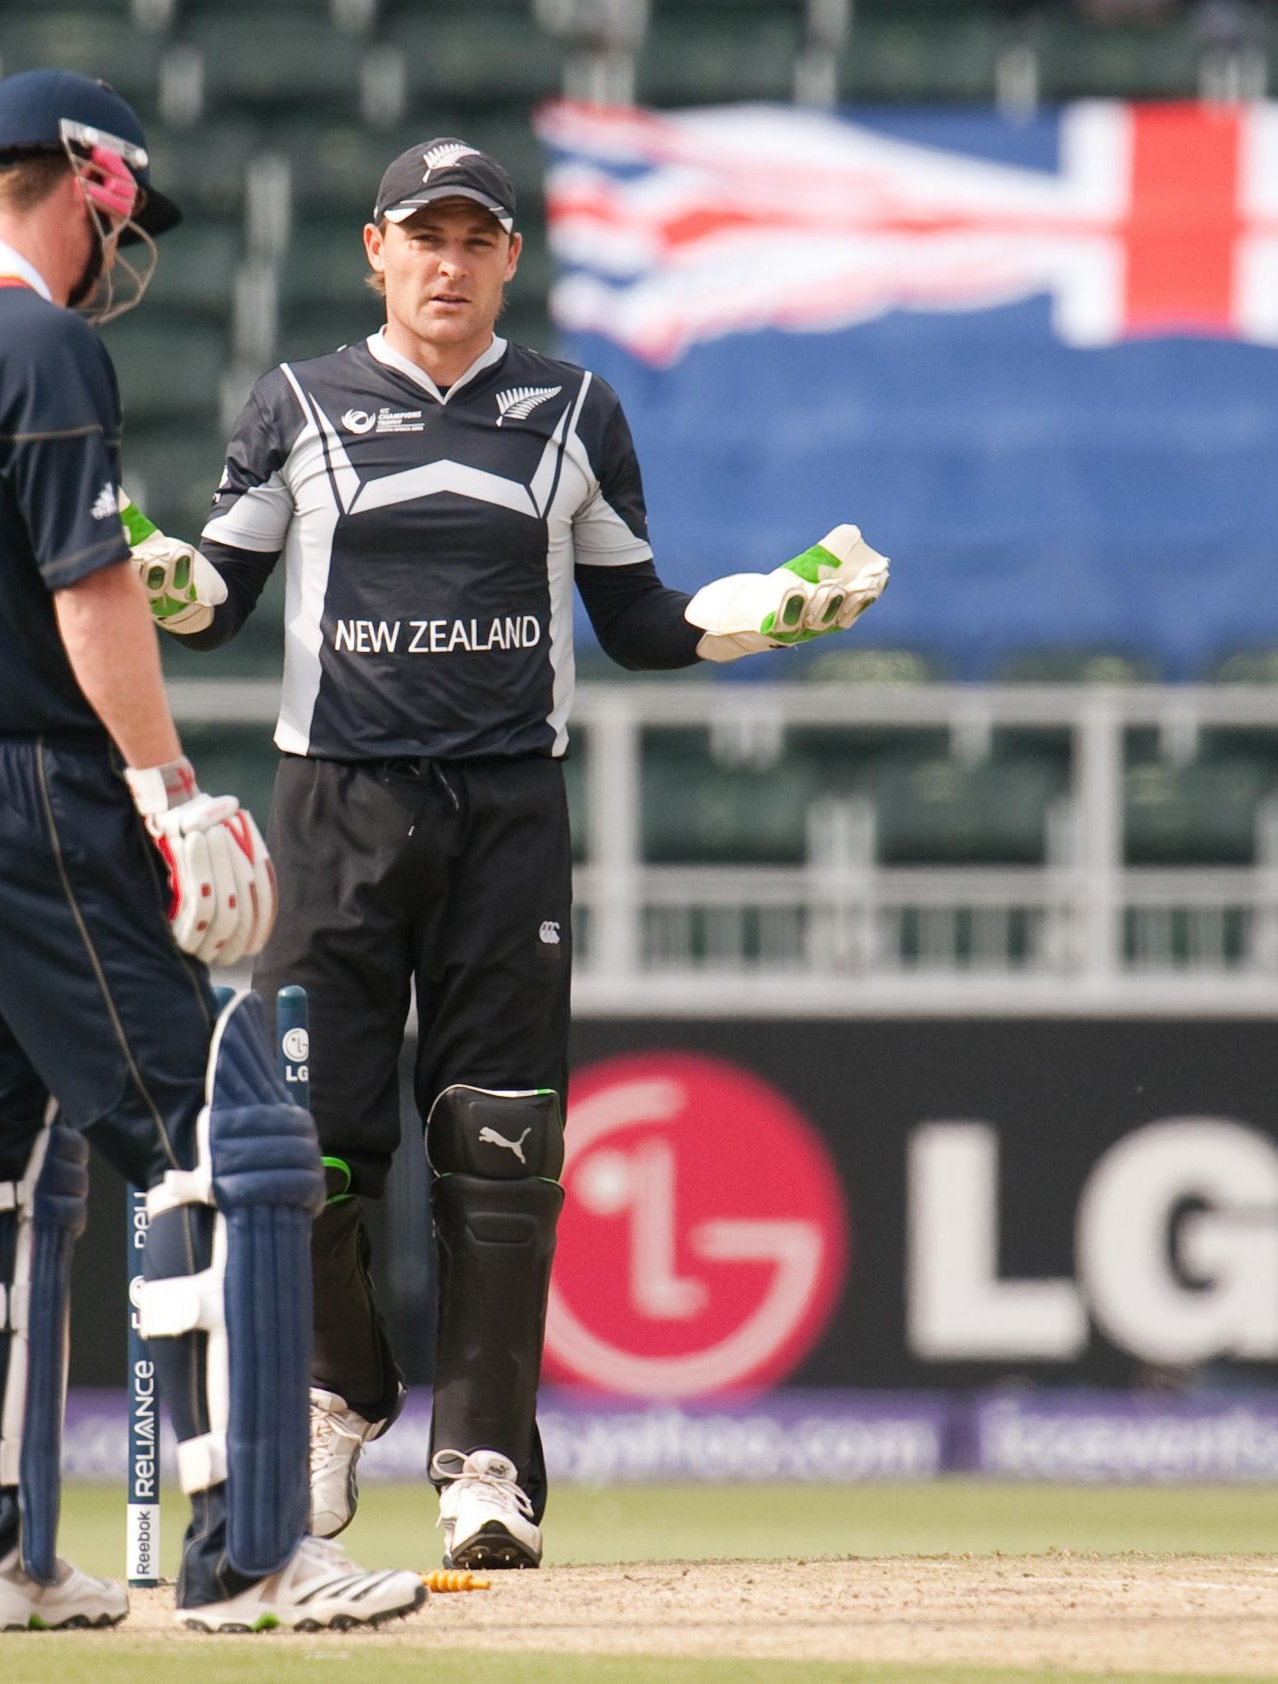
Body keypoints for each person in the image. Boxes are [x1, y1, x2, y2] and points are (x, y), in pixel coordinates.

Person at [131, 138, 890, 1570]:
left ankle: (484, 1463)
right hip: (333, 812)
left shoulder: (573, 410)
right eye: (425, 236)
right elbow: (212, 602)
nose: (448, 263)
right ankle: (335, 1396)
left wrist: (768, 613)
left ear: (509, 261)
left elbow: (644, 621)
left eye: (476, 239)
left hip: (506, 820)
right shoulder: (296, 402)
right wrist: (119, 546)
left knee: (499, 1144)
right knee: (308, 1154)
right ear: (375, 250)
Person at [0, 70, 427, 1635]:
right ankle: (253, 1558)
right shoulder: (37, 340)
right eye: (123, 211)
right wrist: (166, 791)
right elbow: (88, 591)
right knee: (229, 1140)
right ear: (86, 180)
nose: (126, 248)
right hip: (26, 776)